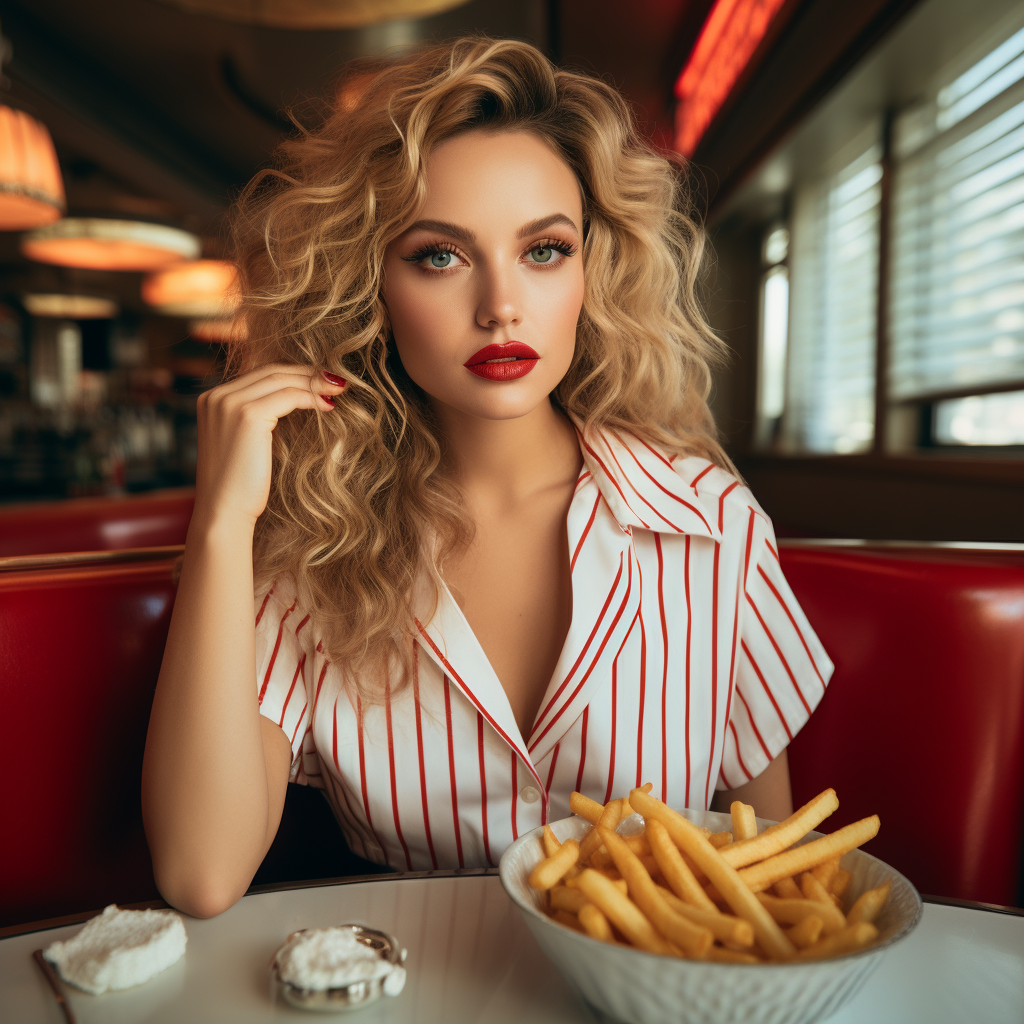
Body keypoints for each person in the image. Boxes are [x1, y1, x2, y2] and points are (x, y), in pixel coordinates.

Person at [141, 37, 832, 919]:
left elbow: (766, 885)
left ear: (592, 268)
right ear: (370, 289)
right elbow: (200, 874)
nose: (501, 304)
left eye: (544, 250)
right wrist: (223, 521)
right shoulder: (308, 539)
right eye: (440, 255)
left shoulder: (712, 523)